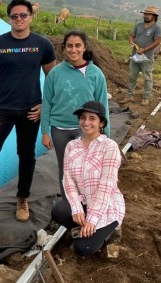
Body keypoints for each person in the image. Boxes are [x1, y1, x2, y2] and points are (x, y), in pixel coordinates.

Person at [0, 0, 57, 222]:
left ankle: (22, 198)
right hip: (1, 111)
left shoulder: (43, 44)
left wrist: (45, 105)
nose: (19, 19)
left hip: (30, 111)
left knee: (26, 155)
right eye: (14, 16)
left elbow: (52, 79)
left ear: (31, 17)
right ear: (9, 18)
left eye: (23, 15)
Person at [50, 101, 125, 256]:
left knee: (83, 249)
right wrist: (77, 208)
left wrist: (92, 219)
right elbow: (68, 179)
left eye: (92, 118)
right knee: (59, 211)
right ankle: (85, 229)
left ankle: (108, 231)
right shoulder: (72, 146)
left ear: (101, 123)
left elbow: (106, 185)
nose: (86, 122)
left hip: (104, 205)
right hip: (85, 201)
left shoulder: (109, 146)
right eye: (83, 118)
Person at [40, 30, 109, 197]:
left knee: (88, 167)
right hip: (59, 130)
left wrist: (105, 135)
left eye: (78, 45)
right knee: (65, 168)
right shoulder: (55, 73)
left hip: (86, 130)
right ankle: (68, 203)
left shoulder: (95, 74)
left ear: (84, 47)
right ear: (64, 48)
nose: (73, 50)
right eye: (69, 46)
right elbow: (47, 103)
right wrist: (44, 132)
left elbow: (103, 106)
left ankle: (87, 201)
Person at [121, 6, 161, 106]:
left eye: (149, 14)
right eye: (145, 14)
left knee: (147, 78)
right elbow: (132, 36)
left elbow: (158, 41)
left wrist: (145, 50)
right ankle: (129, 96)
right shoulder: (138, 26)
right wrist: (131, 41)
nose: (146, 16)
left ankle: (146, 97)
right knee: (132, 77)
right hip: (135, 56)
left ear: (154, 16)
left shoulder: (157, 28)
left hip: (146, 57)